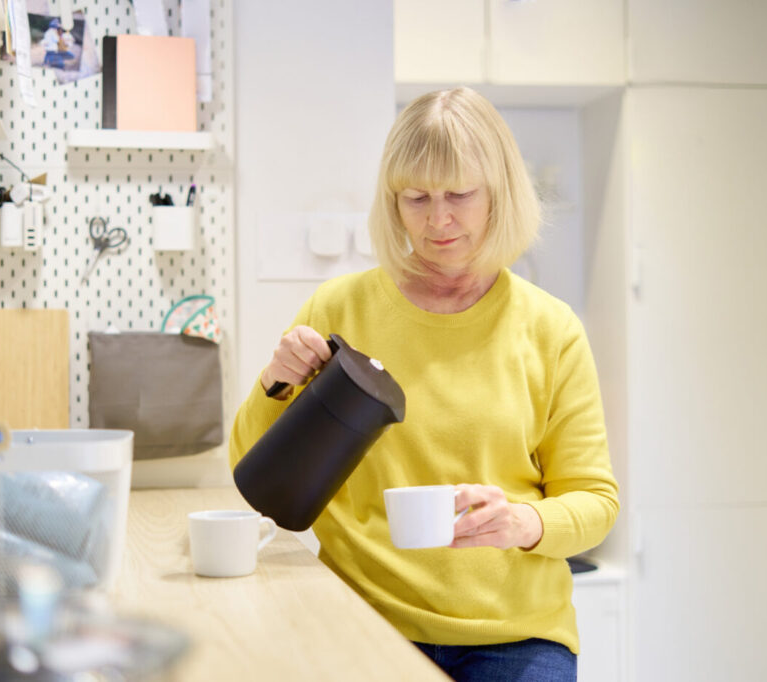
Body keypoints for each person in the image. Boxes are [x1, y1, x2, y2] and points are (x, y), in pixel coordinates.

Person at [228, 86, 619, 682]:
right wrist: (275, 383)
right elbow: (258, 475)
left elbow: (595, 502)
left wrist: (524, 522)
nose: (438, 219)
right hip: (365, 620)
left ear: (500, 193)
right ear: (393, 203)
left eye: (460, 194)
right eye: (417, 198)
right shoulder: (340, 310)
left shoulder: (551, 329)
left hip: (514, 638)